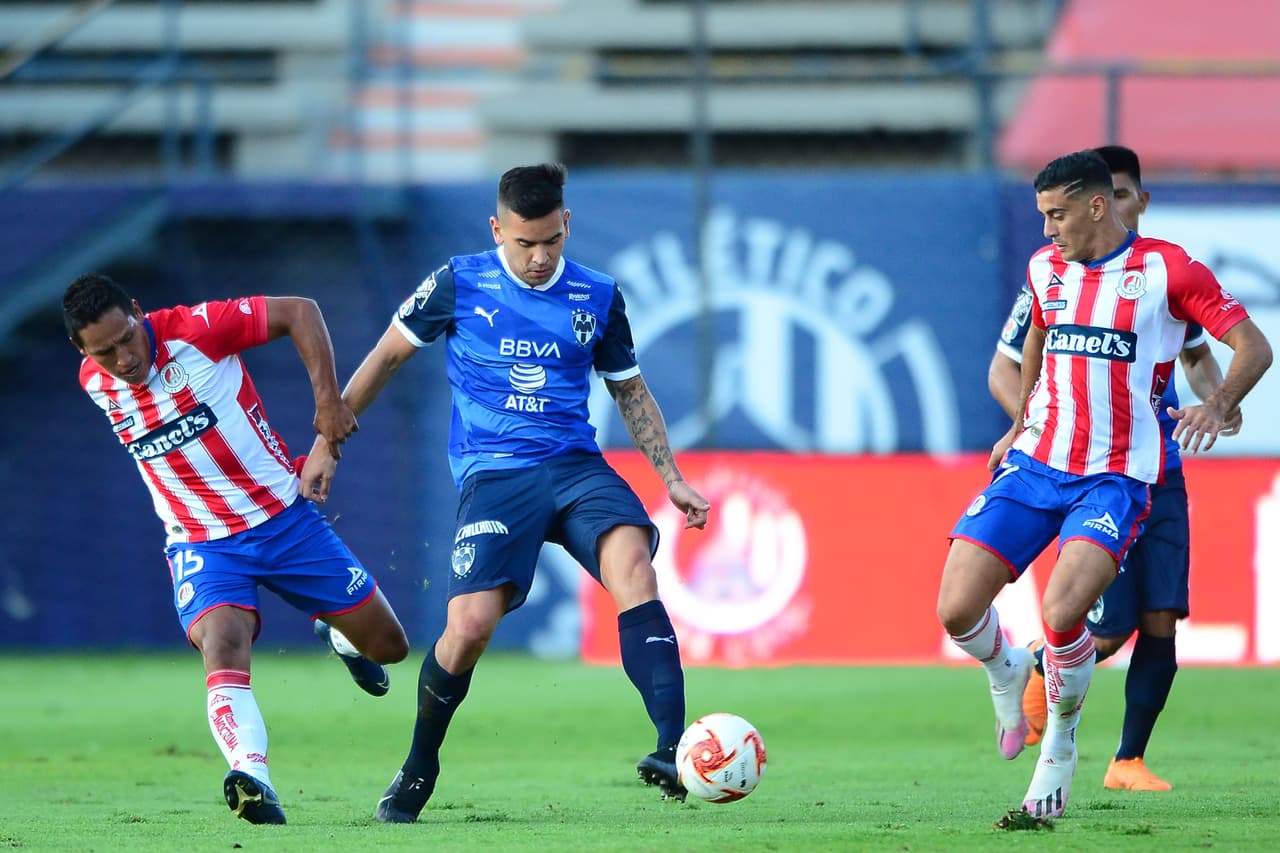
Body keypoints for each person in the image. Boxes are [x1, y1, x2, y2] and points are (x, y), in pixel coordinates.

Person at [300, 163, 712, 823]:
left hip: (577, 466)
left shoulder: (599, 295)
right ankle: (418, 765)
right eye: (525, 243)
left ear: (566, 225)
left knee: (636, 567)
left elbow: (628, 389)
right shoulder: (457, 282)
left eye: (552, 239)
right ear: (497, 229)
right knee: (467, 630)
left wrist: (672, 479)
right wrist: (328, 441)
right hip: (495, 474)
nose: (541, 255)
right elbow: (384, 357)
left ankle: (671, 748)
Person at [938, 150, 1271, 819]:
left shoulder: (1167, 270)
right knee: (955, 610)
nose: (1047, 230)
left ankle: (1058, 752)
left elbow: (1253, 346)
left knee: (1065, 615)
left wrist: (1216, 403)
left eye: (1057, 214)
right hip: (1037, 463)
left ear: (1096, 206)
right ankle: (1006, 667)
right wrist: (1023, 417)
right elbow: (1035, 335)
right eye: (1041, 216)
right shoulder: (1044, 269)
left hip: (1117, 477)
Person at [63, 273, 410, 825]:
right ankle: (252, 776)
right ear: (82, 352)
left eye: (127, 338)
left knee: (390, 647)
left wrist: (327, 409)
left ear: (137, 311)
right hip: (199, 541)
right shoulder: (95, 382)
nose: (123, 359)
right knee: (222, 641)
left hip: (282, 518)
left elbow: (302, 309)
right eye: (104, 352)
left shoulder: (197, 330)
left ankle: (339, 634)